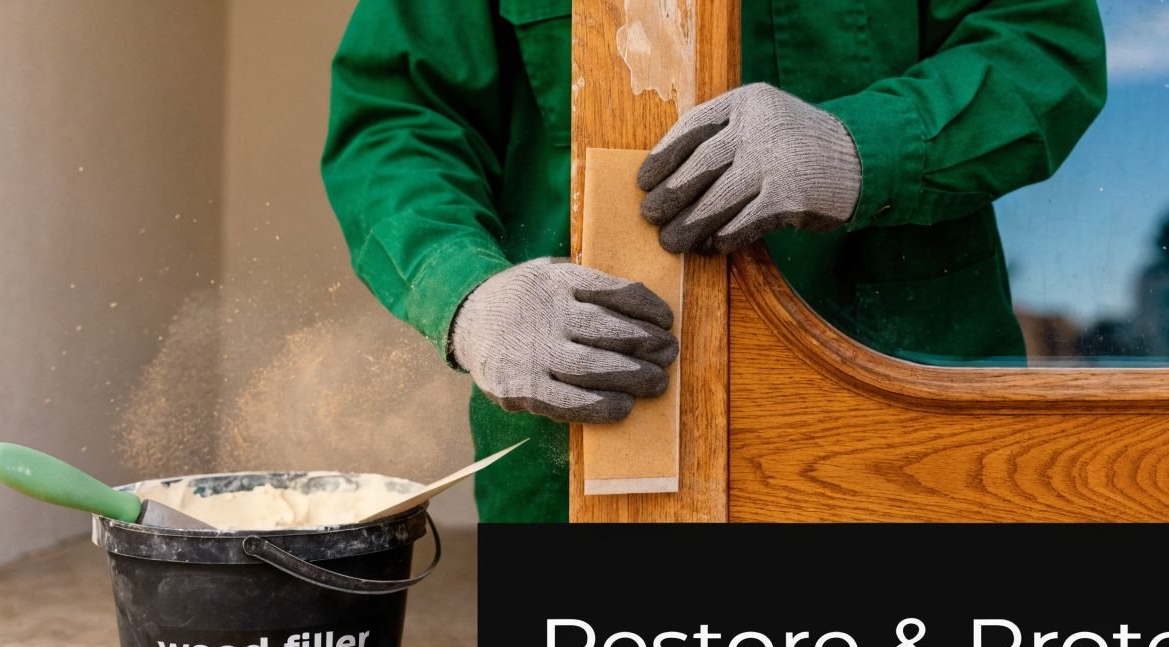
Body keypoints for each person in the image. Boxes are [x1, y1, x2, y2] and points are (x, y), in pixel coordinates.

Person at [321, 0, 1107, 523]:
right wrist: (467, 294)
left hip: (914, 440)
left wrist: (860, 147)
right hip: (589, 458)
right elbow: (400, 117)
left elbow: (1044, 49)